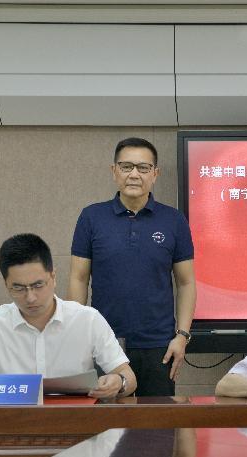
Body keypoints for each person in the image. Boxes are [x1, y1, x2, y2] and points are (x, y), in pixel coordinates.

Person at [68, 137, 196, 396]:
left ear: (155, 174)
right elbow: (78, 278)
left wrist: (182, 336)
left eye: (143, 168)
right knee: (105, 419)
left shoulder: (174, 220)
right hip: (104, 342)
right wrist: (77, 335)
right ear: (114, 171)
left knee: (156, 419)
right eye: (126, 167)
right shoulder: (91, 217)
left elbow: (186, 283)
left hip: (159, 345)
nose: (134, 174)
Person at [0, 234, 136, 399]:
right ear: (6, 284)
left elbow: (128, 377)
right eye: (18, 288)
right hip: (16, 419)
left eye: (38, 285)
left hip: (76, 419)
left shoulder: (88, 319)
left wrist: (119, 382)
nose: (30, 297)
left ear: (53, 277)